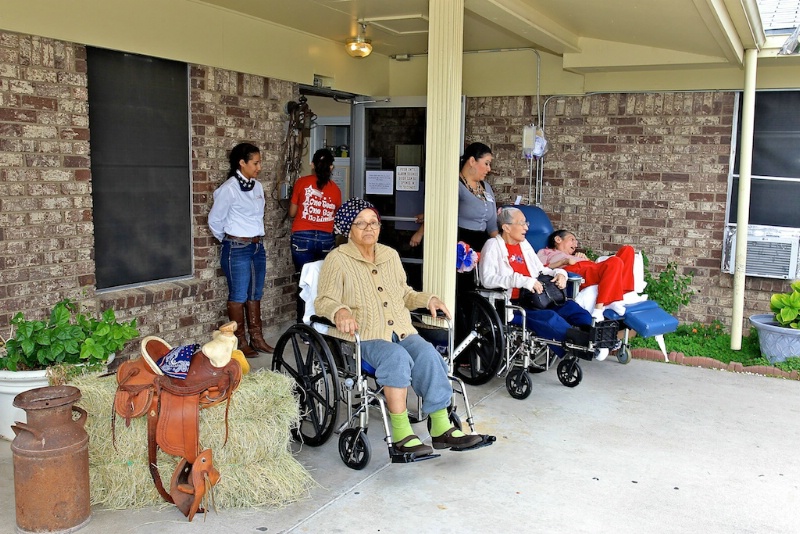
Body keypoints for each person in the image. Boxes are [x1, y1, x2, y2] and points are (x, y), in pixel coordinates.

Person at [315, 198, 484, 455]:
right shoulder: (337, 259)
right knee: (396, 357)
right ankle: (403, 435)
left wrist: (428, 299)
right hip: (366, 334)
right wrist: (339, 311)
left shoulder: (389, 255)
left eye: (374, 222)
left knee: (428, 355)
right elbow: (324, 300)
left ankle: (440, 428)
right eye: (361, 223)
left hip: (402, 329)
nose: (369, 228)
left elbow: (404, 294)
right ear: (348, 228)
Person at [479, 207, 608, 361]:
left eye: (526, 223)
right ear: (506, 227)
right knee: (549, 318)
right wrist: (522, 281)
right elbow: (487, 279)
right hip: (512, 304)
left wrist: (560, 273)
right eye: (522, 223)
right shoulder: (493, 245)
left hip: (537, 299)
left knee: (572, 308)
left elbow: (541, 269)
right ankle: (584, 344)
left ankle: (596, 337)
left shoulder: (524, 245)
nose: (526, 227)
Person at [208, 142, 273, 358]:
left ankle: (257, 338)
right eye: (255, 163)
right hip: (236, 247)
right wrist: (229, 239)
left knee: (255, 293)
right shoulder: (228, 189)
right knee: (238, 295)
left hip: (256, 246)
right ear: (242, 163)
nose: (259, 167)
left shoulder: (258, 187)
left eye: (259, 162)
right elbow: (215, 221)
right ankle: (240, 341)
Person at [408, 142, 498, 292]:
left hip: (480, 244)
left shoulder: (486, 187)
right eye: (486, 163)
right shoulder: (454, 184)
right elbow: (439, 211)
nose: (489, 169)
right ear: (472, 161)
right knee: (460, 288)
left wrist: (501, 246)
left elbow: (492, 224)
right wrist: (420, 233)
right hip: (458, 242)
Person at [289, 148, 342, 321]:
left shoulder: (302, 182)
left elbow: (292, 212)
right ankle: (320, 323)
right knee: (322, 283)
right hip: (326, 239)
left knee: (304, 282)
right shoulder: (335, 190)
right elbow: (337, 216)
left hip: (302, 237)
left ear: (312, 164)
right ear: (331, 167)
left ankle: (303, 325)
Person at [537, 230, 636, 321]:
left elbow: (593, 266)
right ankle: (598, 309)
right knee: (615, 261)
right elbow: (539, 269)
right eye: (572, 240)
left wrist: (586, 260)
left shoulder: (575, 256)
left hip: (589, 267)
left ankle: (616, 298)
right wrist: (563, 261)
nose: (575, 244)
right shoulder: (545, 252)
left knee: (628, 250)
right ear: (558, 239)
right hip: (572, 271)